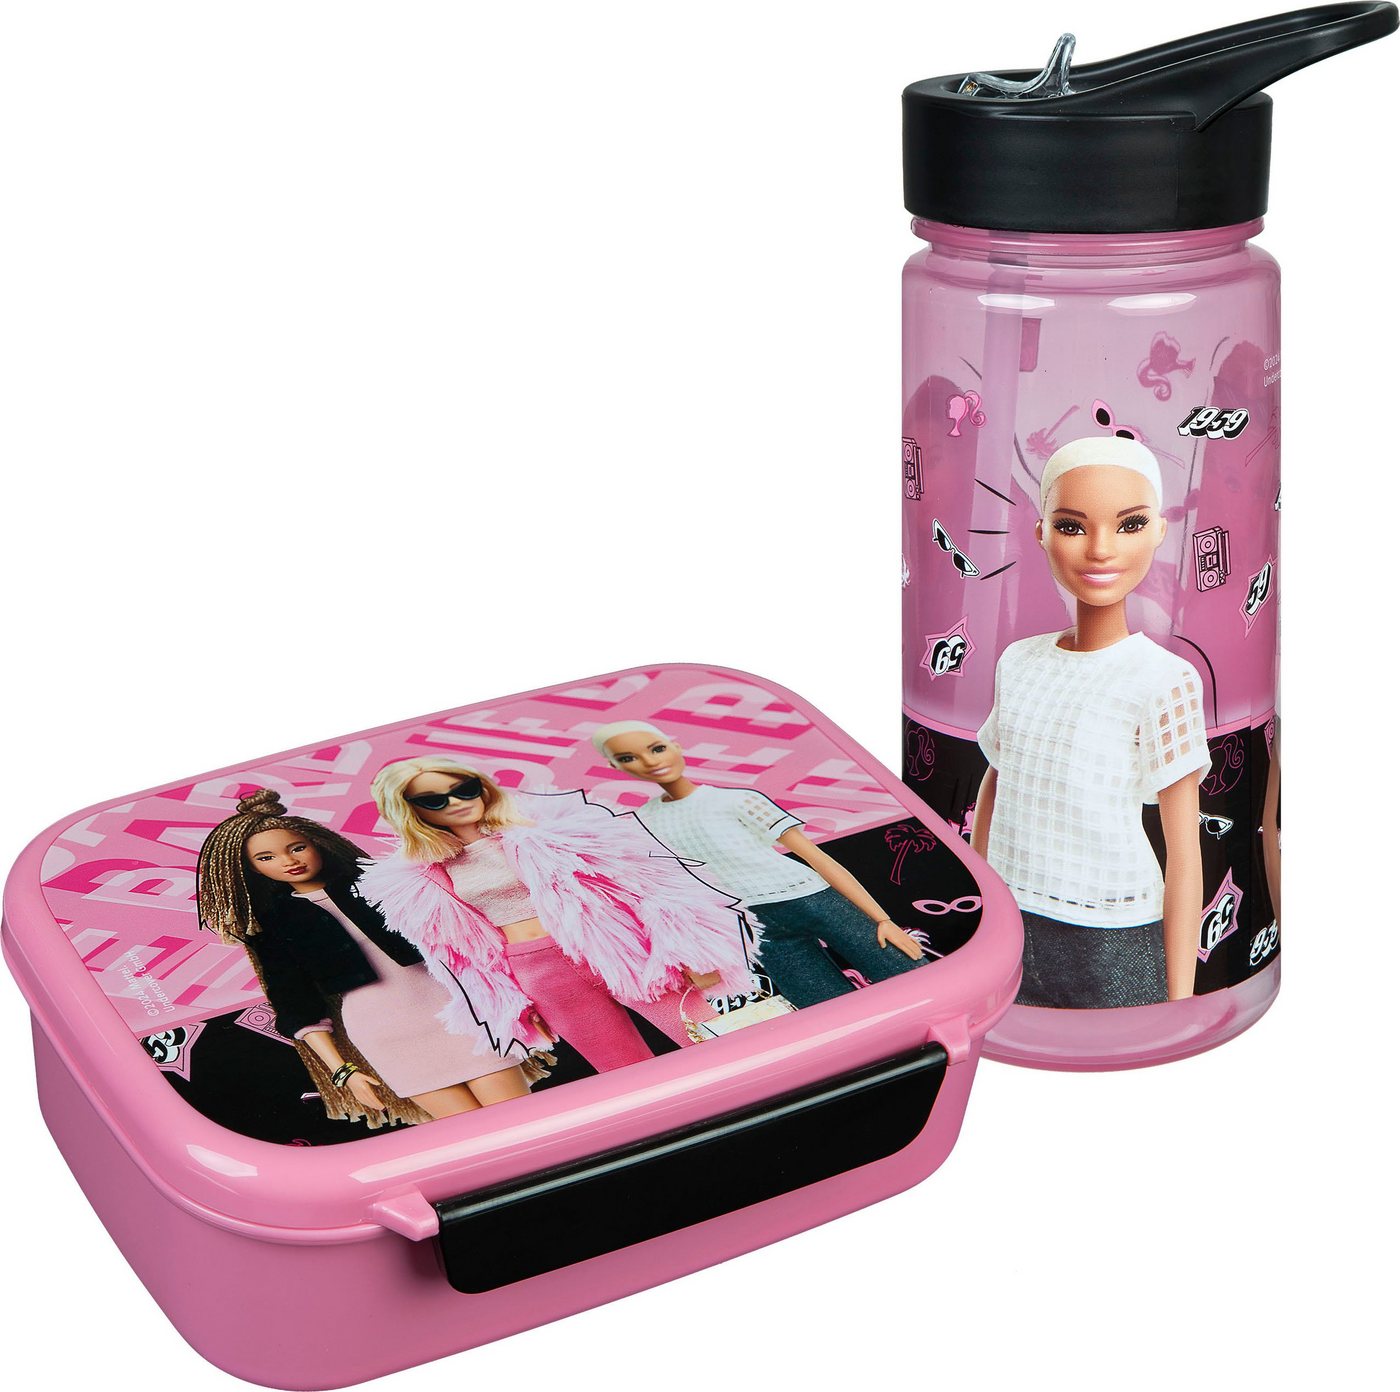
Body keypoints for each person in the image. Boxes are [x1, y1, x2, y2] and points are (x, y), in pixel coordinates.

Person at [971, 433, 1211, 1008]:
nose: (1101, 550)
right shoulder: (1018, 662)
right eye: (1072, 526)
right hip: (1010, 920)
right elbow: (997, 783)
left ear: (1159, 530)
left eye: (1130, 524)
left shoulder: (1164, 679)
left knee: (1129, 1057)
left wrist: (1179, 1006)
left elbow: (1185, 856)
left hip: (1113, 934)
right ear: (1041, 532)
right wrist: (980, 912)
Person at [360, 758, 758, 1073]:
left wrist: (692, 951)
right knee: (620, 1068)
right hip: (537, 970)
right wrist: (508, 1001)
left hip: (615, 949)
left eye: (464, 789)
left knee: (704, 1034)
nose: (456, 802)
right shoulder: (423, 878)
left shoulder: (553, 831)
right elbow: (461, 953)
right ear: (409, 811)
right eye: (434, 800)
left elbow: (645, 886)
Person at [196, 791, 532, 1129]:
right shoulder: (274, 927)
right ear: (252, 868)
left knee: (520, 1121)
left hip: (459, 1014)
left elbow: (465, 938)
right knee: (469, 1133)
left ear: (317, 843)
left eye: (297, 848)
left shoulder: (379, 884)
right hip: (386, 1035)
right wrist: (344, 1071)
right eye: (266, 857)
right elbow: (296, 1006)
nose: (288, 861)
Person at [592, 723, 926, 1009]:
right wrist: (695, 954)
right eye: (628, 758)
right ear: (614, 766)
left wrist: (882, 919)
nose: (651, 762)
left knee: (906, 973)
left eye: (657, 748)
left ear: (675, 746)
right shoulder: (644, 822)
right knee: (821, 1004)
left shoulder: (736, 800)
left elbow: (816, 857)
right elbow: (669, 891)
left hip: (809, 897)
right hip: (750, 922)